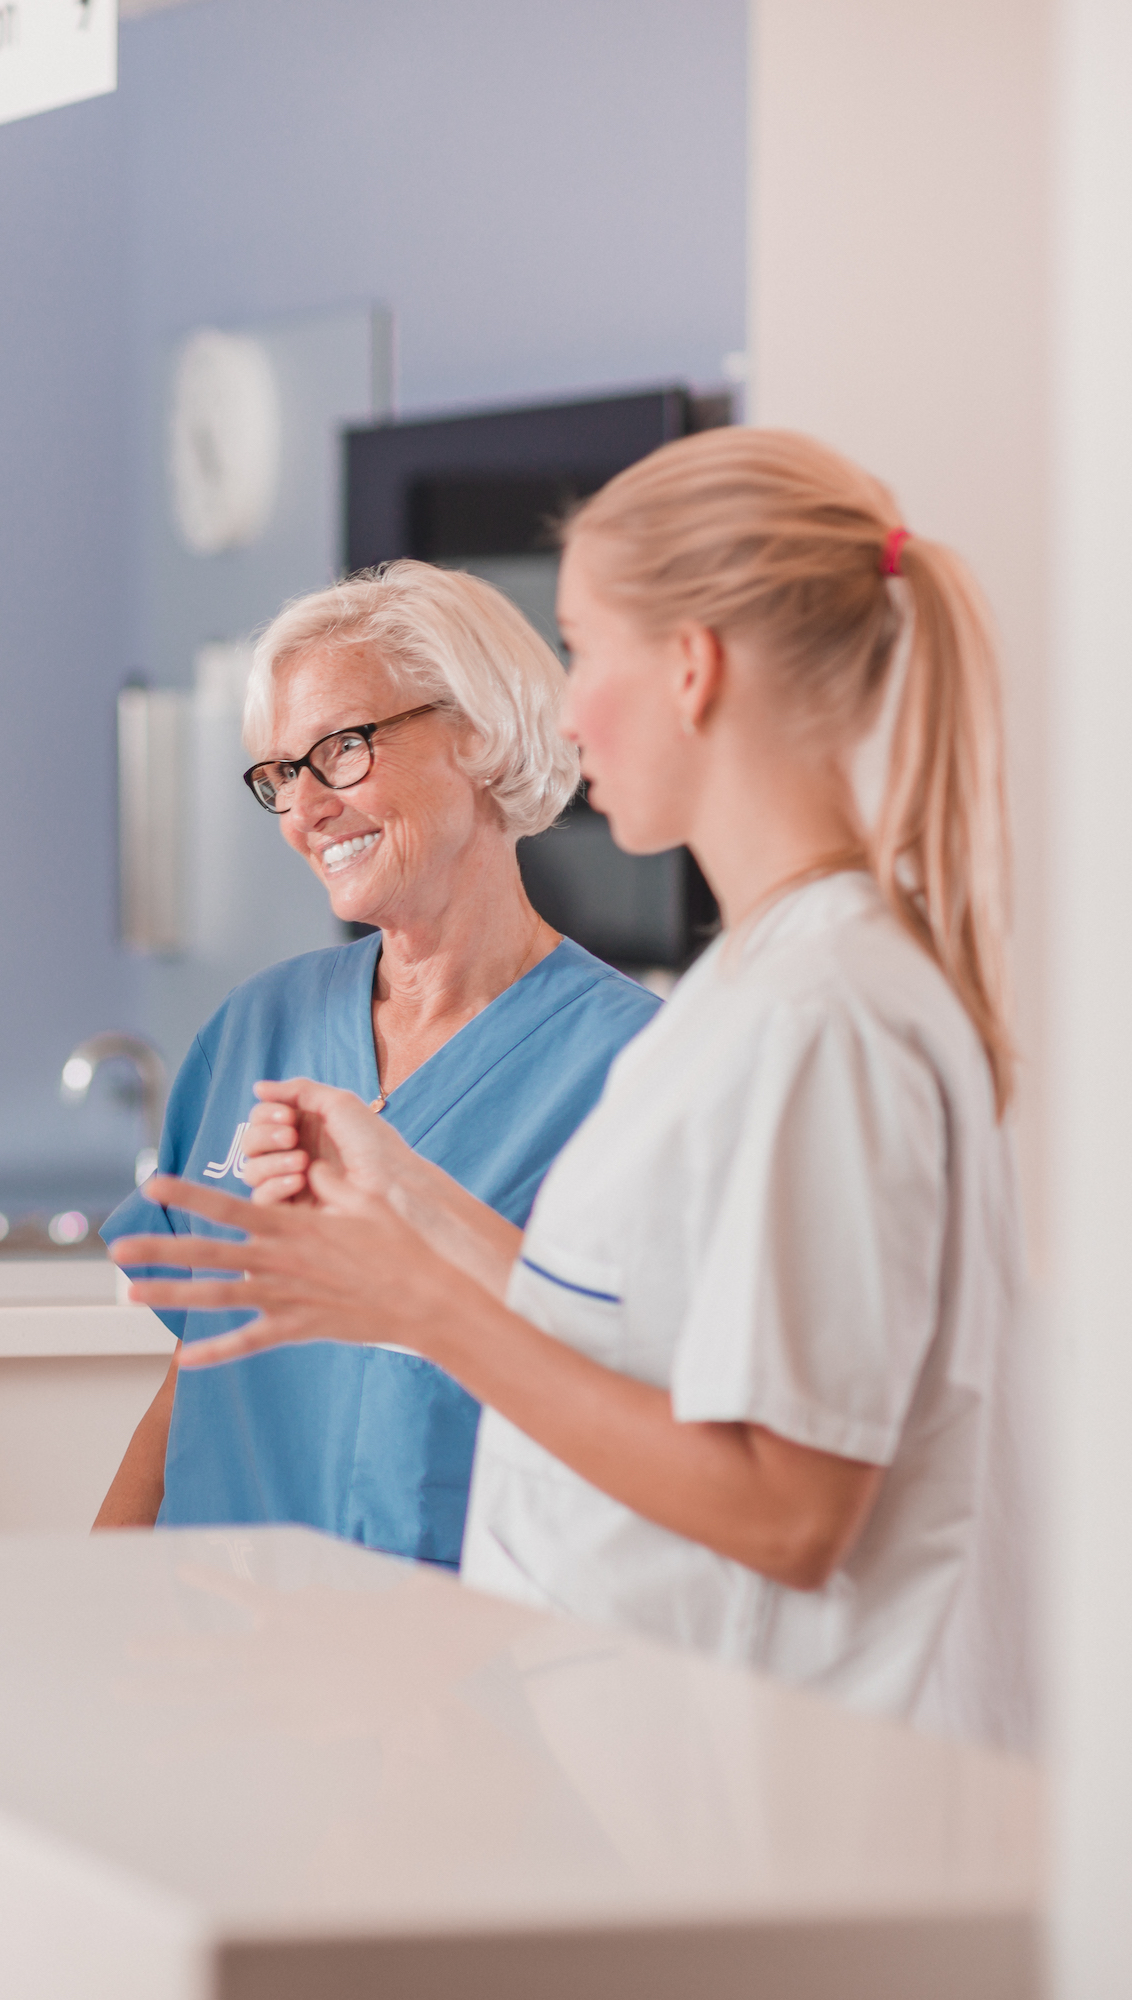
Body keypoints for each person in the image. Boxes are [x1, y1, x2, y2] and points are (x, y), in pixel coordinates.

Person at [116, 428, 1028, 1749]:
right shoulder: (753, 995)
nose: (568, 707)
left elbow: (791, 1512)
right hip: (623, 1759)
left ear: (693, 669)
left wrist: (413, 1296)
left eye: (584, 650)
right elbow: (639, 1344)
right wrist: (406, 1198)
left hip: (770, 1776)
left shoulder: (816, 1015)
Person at [93, 562, 659, 1565]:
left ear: (477, 733)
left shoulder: (631, 1070)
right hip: (205, 1641)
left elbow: (641, 1402)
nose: (302, 809)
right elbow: (196, 1372)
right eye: (277, 774)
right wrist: (99, 1581)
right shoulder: (259, 1027)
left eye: (340, 750)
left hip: (447, 1665)